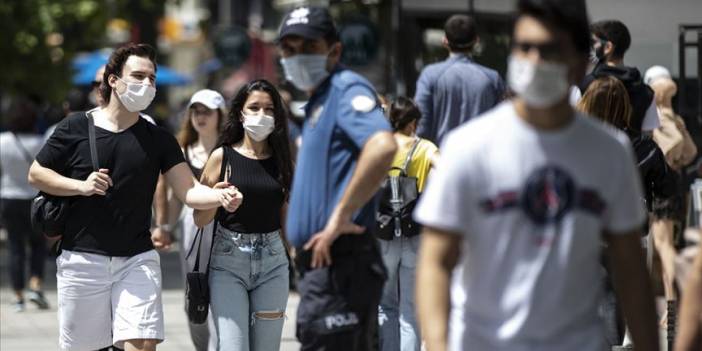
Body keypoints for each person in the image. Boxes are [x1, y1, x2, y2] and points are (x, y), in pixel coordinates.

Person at [414, 1, 660, 351]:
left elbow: (631, 271)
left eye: (549, 50)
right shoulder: (468, 147)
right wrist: (438, 343)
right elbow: (436, 260)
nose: (534, 60)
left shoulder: (610, 152)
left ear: (579, 63)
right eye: (524, 47)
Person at [27, 43, 243, 351]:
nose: (147, 84)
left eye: (152, 78)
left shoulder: (159, 139)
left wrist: (218, 196)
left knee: (142, 343)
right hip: (83, 259)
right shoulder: (75, 126)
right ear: (113, 80)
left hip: (137, 259)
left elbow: (189, 190)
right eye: (138, 75)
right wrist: (81, 186)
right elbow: (36, 173)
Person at [277, 6, 398, 350]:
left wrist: (340, 216)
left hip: (341, 263)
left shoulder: (346, 89)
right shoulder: (319, 100)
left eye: (309, 47)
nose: (297, 56)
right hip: (322, 268)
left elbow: (382, 146)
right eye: (289, 49)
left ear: (335, 50)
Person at [193, 79, 294, 351]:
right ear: (240, 113)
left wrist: (295, 254)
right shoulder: (221, 157)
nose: (262, 115)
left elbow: (285, 213)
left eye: (269, 109)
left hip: (273, 263)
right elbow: (199, 220)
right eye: (254, 107)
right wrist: (217, 197)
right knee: (233, 346)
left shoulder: (283, 159)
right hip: (228, 261)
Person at [577, 76, 677, 347]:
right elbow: (668, 186)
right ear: (625, 106)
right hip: (630, 233)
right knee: (617, 297)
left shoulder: (574, 141)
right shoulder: (642, 146)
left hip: (582, 231)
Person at [165, 89, 226, 351]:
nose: (200, 117)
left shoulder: (232, 149)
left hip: (226, 226)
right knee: (196, 287)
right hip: (192, 227)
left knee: (223, 287)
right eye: (196, 111)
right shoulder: (182, 150)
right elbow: (173, 195)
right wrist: (164, 226)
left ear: (220, 115)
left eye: (207, 111)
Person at [377, 97, 438, 351]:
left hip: (384, 233)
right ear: (413, 122)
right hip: (415, 235)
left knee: (386, 304)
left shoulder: (382, 145)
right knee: (410, 309)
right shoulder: (424, 147)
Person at [414, 14, 504, 145]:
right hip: (480, 160)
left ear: (445, 41)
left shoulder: (430, 75)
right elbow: (501, 124)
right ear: (476, 41)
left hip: (440, 159)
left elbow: (421, 125)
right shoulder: (492, 78)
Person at [0, 97, 50, 312]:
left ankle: (18, 296)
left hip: (9, 197)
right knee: (38, 244)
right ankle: (35, 285)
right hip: (35, 198)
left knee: (15, 247)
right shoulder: (40, 143)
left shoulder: (2, 141)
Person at [582, 19, 660, 133]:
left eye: (593, 42)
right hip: (631, 150)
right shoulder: (645, 92)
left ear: (608, 47)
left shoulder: (584, 85)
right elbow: (648, 134)